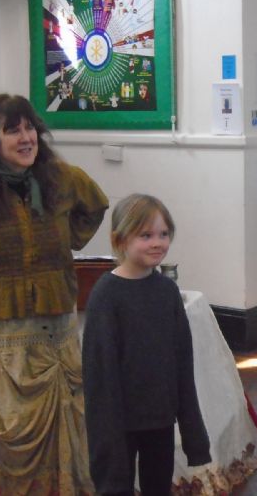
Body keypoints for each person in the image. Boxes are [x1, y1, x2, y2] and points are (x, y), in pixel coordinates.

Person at [0, 93, 109, 495]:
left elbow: (95, 205)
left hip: (53, 334)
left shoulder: (62, 178)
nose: (26, 137)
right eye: (13, 130)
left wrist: (68, 240)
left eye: (30, 127)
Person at [82, 193, 211, 496]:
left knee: (158, 486)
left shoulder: (167, 292)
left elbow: (182, 363)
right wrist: (107, 446)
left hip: (160, 419)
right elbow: (100, 376)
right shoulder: (106, 295)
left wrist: (194, 436)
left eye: (163, 234)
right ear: (120, 239)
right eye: (146, 235)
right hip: (119, 423)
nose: (157, 243)